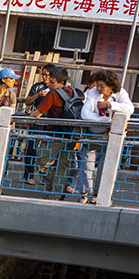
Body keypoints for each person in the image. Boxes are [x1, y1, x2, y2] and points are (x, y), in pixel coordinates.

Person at [77, 70, 133, 202]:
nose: (99, 89)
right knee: (86, 164)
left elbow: (129, 108)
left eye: (102, 86)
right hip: (92, 133)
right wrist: (106, 121)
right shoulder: (92, 92)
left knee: (105, 165)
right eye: (98, 85)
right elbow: (85, 114)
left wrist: (109, 105)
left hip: (111, 136)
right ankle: (85, 193)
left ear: (111, 87)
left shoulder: (121, 94)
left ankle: (98, 194)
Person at [30, 66, 78, 193]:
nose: (49, 84)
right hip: (72, 135)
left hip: (55, 135)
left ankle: (54, 188)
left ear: (61, 82)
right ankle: (57, 194)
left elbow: (37, 114)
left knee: (41, 163)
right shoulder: (74, 92)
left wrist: (24, 120)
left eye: (52, 82)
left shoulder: (53, 94)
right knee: (62, 167)